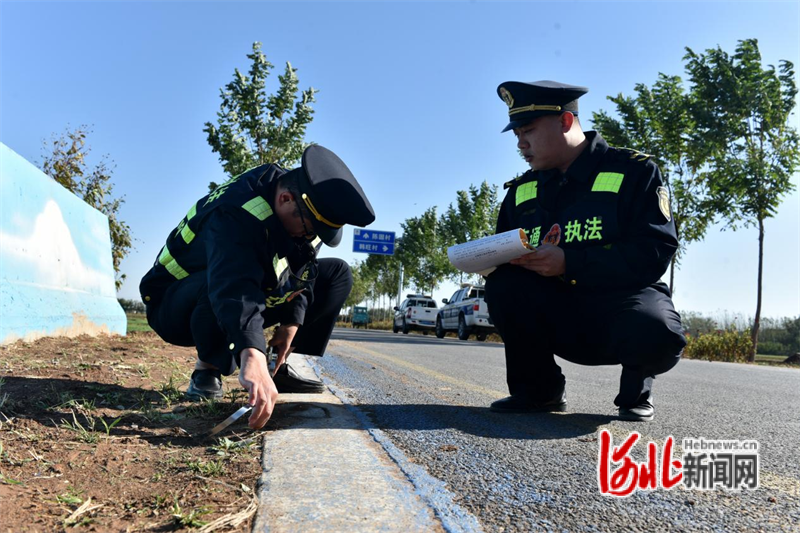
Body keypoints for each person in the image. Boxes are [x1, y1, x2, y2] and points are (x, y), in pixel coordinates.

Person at [485, 80, 686, 421]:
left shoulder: (634, 172)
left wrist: (570, 262)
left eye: (528, 131)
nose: (521, 144)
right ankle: (538, 390)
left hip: (619, 307)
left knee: (657, 331)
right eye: (516, 135)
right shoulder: (521, 189)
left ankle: (636, 392)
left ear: (565, 122)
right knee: (503, 286)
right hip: (556, 311)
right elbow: (504, 250)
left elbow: (654, 249)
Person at [140, 145, 374, 429]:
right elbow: (233, 285)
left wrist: (291, 324)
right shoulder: (235, 210)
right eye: (309, 229)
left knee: (337, 274)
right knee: (221, 282)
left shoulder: (305, 210)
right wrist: (251, 352)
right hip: (174, 303)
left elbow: (303, 272)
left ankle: (277, 365)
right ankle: (208, 369)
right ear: (285, 199)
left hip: (230, 284)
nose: (310, 237)